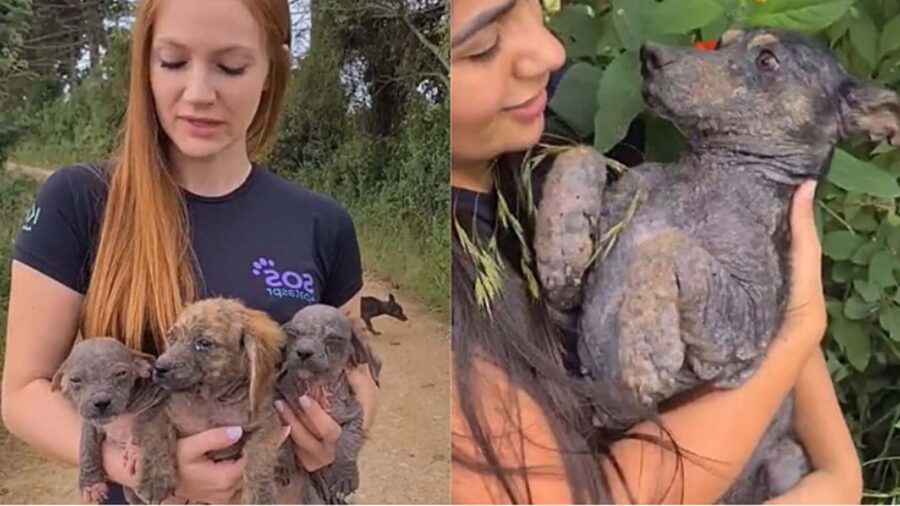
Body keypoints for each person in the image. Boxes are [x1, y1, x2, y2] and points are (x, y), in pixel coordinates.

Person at [449, 0, 862, 503]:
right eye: (483, 48)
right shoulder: (450, 305)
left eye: (532, 7)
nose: (552, 52)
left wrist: (837, 475)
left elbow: (759, 290)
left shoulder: (556, 122)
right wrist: (798, 331)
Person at [0, 0, 377, 503]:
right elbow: (23, 390)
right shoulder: (79, 200)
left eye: (231, 66)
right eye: (173, 62)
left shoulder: (321, 222)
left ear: (272, 69)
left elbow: (356, 371)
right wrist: (131, 464)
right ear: (145, 65)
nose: (199, 94)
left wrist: (329, 440)